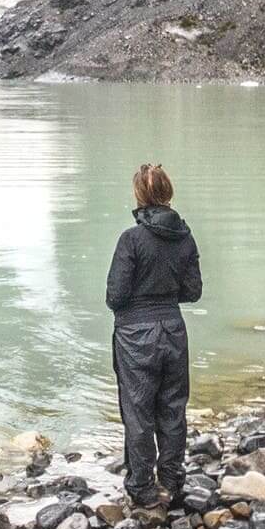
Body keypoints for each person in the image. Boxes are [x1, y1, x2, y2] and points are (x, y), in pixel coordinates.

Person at [106, 163, 201, 509]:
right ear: (168, 192)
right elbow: (193, 292)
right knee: (173, 408)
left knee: (138, 410)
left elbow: (114, 297)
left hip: (135, 335)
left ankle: (143, 487)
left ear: (140, 195)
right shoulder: (185, 237)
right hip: (173, 330)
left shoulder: (130, 240)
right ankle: (173, 481)